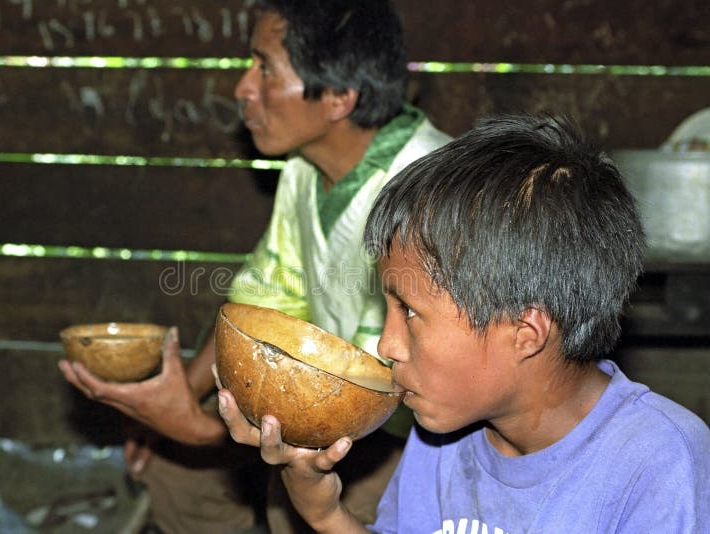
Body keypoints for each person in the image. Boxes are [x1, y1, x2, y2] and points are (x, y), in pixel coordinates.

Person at [59, 0, 452, 531]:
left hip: (410, 430)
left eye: (265, 68)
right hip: (320, 401)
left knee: (290, 504)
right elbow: (259, 301)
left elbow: (370, 388)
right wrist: (179, 396)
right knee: (176, 476)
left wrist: (197, 429)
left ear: (339, 97)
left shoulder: (429, 191)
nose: (244, 87)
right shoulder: (303, 172)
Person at [218, 114, 710, 533]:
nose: (388, 345)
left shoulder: (660, 464)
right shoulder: (443, 435)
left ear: (526, 333)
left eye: (409, 312)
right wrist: (324, 513)